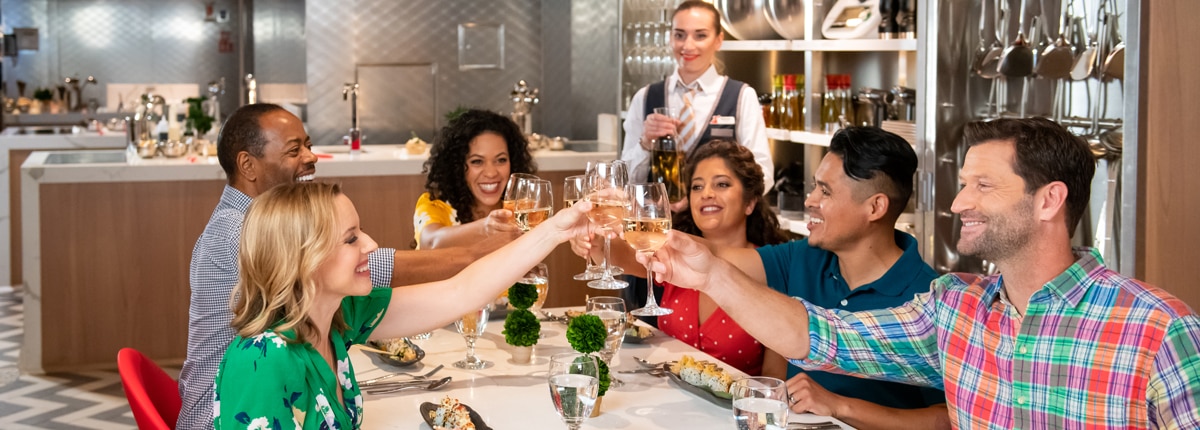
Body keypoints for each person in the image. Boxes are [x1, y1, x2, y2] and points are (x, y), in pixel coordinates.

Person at [645, 117, 1200, 428]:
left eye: (982, 186)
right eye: (963, 186)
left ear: (1049, 200)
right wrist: (711, 272)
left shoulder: (1156, 329)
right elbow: (821, 337)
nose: (958, 204)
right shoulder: (955, 306)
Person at [179, 104, 515, 429]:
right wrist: (474, 253)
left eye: (308, 145)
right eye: (294, 150)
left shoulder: (314, 300)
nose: (311, 157)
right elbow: (370, 265)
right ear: (248, 165)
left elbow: (456, 294)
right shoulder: (241, 231)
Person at [213, 182, 593, 429]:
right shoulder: (260, 361)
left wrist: (556, 230)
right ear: (303, 259)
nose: (371, 245)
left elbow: (462, 292)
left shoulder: (340, 315)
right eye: (351, 239)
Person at [714, 127, 947, 428]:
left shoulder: (929, 298)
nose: (810, 200)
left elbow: (947, 420)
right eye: (814, 187)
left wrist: (839, 406)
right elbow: (717, 259)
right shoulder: (806, 256)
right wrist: (646, 239)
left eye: (825, 191)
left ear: (875, 207)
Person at [575, 139, 788, 377]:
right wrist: (591, 235)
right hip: (671, 402)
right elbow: (618, 256)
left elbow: (774, 379)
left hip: (734, 408)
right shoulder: (678, 252)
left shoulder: (770, 268)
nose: (706, 193)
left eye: (722, 184)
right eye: (697, 187)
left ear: (750, 203)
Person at [620, 0, 773, 200]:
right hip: (659, 224)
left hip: (717, 225)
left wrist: (716, 196)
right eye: (679, 35)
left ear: (718, 40)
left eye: (700, 35)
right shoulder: (645, 97)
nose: (687, 45)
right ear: (670, 38)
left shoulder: (742, 96)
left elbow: (764, 175)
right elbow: (625, 182)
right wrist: (645, 143)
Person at [414, 108, 535, 249]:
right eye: (477, 161)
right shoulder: (435, 206)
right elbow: (430, 243)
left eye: (501, 160)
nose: (491, 173)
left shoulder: (519, 209)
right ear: (457, 166)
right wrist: (484, 227)